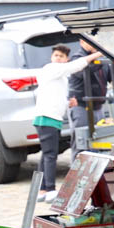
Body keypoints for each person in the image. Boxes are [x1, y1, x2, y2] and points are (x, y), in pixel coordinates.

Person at [33, 43, 99, 201]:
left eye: (61, 56)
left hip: (51, 118)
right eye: (56, 55)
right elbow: (75, 66)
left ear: (66, 59)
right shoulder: (50, 68)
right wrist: (98, 54)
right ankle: (50, 190)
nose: (58, 58)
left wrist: (67, 103)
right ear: (51, 57)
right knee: (50, 155)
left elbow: (54, 97)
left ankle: (41, 190)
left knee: (46, 154)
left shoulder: (60, 76)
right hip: (46, 118)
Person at [66, 44, 110, 156]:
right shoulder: (77, 57)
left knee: (98, 143)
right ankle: (76, 167)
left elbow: (109, 74)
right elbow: (86, 71)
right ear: (82, 41)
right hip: (82, 107)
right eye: (90, 40)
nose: (94, 43)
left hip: (98, 107)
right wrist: (99, 55)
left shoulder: (100, 57)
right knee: (81, 144)